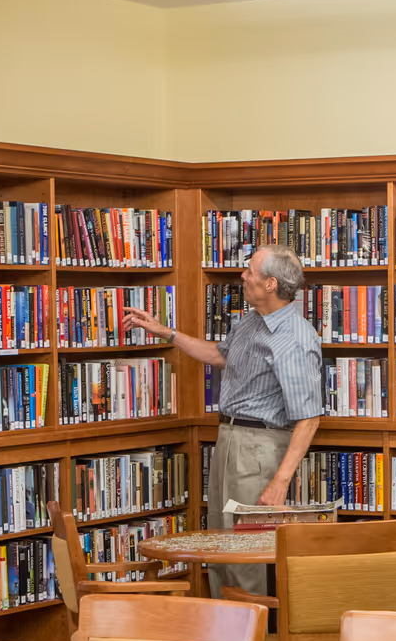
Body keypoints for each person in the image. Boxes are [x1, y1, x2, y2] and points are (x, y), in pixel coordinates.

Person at [124, 244, 324, 595]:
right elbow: (219, 355)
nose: (243, 276)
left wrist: (279, 482)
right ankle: (226, 640)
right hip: (230, 438)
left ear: (271, 284)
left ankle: (255, 640)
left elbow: (309, 418)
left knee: (245, 553)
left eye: (250, 271)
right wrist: (166, 332)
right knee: (220, 543)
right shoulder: (251, 320)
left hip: (259, 448)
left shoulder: (294, 338)